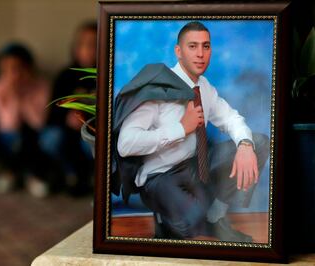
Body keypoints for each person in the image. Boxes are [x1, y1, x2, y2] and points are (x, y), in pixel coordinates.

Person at [114, 22, 269, 242]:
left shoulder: (203, 87)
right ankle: (167, 218)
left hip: (195, 167)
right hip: (160, 176)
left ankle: (216, 217)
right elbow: (126, 144)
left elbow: (230, 118)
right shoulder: (158, 88)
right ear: (179, 51)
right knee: (192, 227)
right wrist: (181, 128)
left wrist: (245, 145)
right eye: (192, 46)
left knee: (259, 143)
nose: (200, 54)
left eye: (205, 46)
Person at [0, 43, 60, 197]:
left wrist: (23, 97)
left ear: (28, 68)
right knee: (13, 138)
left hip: (36, 134)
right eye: (7, 69)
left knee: (51, 137)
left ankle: (34, 176)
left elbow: (38, 123)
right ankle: (11, 173)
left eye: (18, 68)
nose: (14, 74)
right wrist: (14, 97)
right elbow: (9, 125)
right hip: (10, 136)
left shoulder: (42, 86)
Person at [49, 21, 97, 196]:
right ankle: (70, 175)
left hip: (92, 130)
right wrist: (67, 118)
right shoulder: (65, 75)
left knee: (92, 142)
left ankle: (95, 177)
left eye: (92, 44)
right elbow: (52, 112)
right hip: (66, 130)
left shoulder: (107, 74)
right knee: (51, 138)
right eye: (82, 44)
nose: (86, 50)